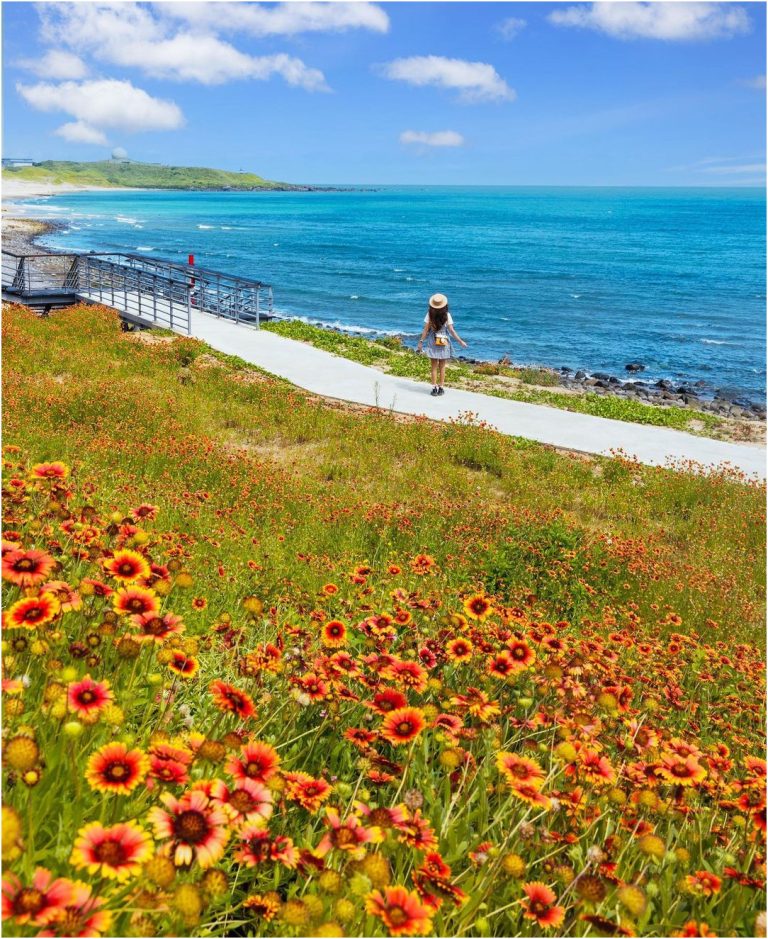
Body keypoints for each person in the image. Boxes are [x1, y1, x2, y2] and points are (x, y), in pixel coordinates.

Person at [417, 293, 468, 395]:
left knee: (434, 367)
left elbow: (426, 330)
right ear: (444, 304)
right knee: (442, 366)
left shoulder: (429, 314)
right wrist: (460, 341)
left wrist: (421, 342)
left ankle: (434, 388)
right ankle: (441, 387)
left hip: (433, 340)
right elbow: (452, 331)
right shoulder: (447, 315)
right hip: (443, 341)